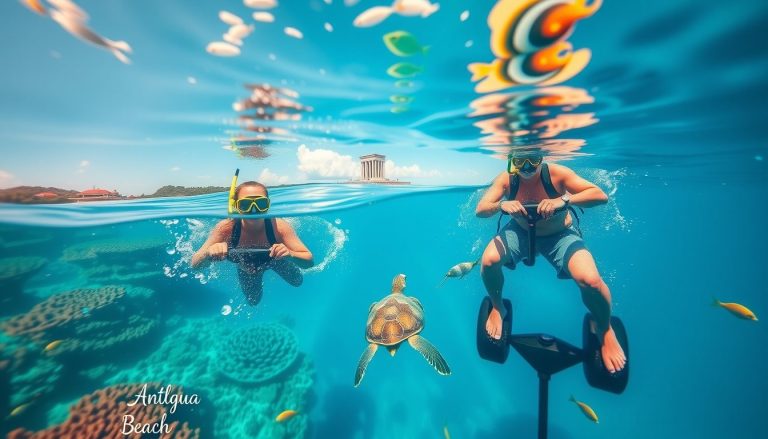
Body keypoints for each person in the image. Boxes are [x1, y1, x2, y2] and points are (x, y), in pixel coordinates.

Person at [475, 150, 627, 373]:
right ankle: (498, 307)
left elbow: (599, 195)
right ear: (511, 162)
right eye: (520, 161)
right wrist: (501, 206)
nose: (527, 167)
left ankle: (605, 330)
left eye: (533, 160)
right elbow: (481, 209)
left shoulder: (557, 174)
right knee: (488, 261)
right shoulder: (507, 180)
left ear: (542, 158)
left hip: (560, 236)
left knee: (591, 281)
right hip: (520, 232)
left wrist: (564, 200)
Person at [191, 180, 313, 305]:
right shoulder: (226, 229)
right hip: (246, 269)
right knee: (253, 301)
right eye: (245, 205)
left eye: (261, 203)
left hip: (276, 261)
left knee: (298, 281)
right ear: (237, 207)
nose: (254, 210)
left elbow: (309, 261)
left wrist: (290, 254)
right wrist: (208, 253)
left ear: (268, 205)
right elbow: (195, 264)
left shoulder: (279, 227)